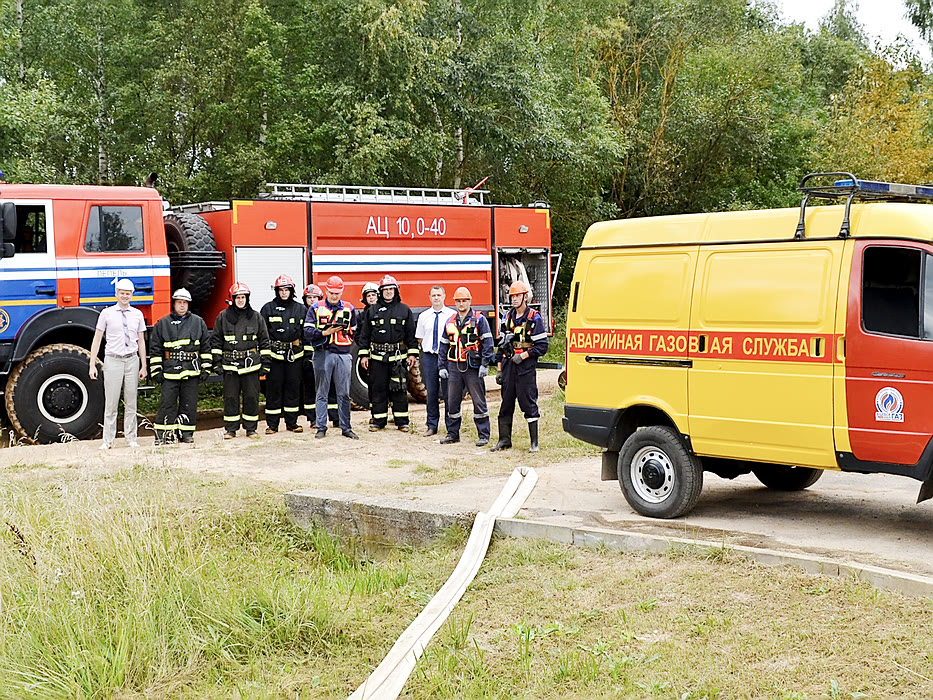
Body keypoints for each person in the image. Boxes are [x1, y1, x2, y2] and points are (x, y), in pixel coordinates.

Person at [88, 278, 147, 449]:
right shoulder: (106, 314)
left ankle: (131, 438)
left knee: (131, 401)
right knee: (111, 402)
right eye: (122, 293)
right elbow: (97, 339)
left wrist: (143, 365)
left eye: (128, 293)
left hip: (131, 359)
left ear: (132, 295)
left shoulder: (137, 314)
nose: (125, 296)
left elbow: (141, 341)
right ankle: (108, 440)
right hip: (113, 359)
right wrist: (92, 364)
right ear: (116, 294)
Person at [491, 281, 549, 453]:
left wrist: (523, 355)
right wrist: (500, 369)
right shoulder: (506, 318)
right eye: (512, 296)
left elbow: (542, 346)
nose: (514, 299)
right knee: (506, 404)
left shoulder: (534, 318)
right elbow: (501, 347)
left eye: (517, 295)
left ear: (525, 296)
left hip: (525, 368)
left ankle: (534, 443)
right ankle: (504, 440)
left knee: (528, 404)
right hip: (509, 366)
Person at [148, 288, 211, 445]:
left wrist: (206, 367)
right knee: (167, 404)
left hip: (191, 370)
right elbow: (155, 349)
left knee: (189, 404)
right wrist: (156, 370)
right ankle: (163, 435)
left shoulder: (198, 322)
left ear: (188, 305)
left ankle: (186, 433)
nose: (182, 306)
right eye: (179, 303)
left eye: (185, 303)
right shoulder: (163, 324)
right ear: (174, 304)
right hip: (170, 373)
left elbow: (205, 347)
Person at [358, 275, 418, 432]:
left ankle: (402, 422)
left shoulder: (404, 310)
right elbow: (364, 335)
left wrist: (412, 354)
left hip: (398, 358)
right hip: (377, 358)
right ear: (381, 292)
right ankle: (378, 421)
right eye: (385, 290)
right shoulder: (372, 310)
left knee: (399, 389)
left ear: (396, 290)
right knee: (378, 389)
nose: (388, 292)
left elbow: (411, 335)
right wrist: (364, 355)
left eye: (391, 289)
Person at [211, 282, 270, 439]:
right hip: (230, 365)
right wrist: (217, 363)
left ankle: (251, 429)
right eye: (238, 297)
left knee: (251, 397)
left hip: (251, 365)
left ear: (247, 298)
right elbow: (216, 341)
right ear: (232, 299)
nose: (241, 300)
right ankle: (231, 429)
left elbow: (264, 341)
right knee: (230, 398)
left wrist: (266, 364)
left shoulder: (256, 317)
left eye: (243, 297)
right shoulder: (223, 317)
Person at [438, 286, 494, 446]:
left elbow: (488, 343)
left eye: (464, 300)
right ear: (455, 302)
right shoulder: (450, 321)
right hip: (454, 367)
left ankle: (484, 435)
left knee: (478, 401)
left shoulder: (479, 319)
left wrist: (485, 364)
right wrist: (441, 366)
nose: (461, 303)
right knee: (452, 401)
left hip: (473, 367)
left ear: (469, 301)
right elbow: (443, 345)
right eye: (458, 301)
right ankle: (453, 434)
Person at [304, 275, 359, 439]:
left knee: (344, 393)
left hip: (343, 354)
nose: (334, 295)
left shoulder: (349, 308)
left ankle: (346, 427)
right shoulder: (315, 307)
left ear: (342, 291)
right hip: (323, 353)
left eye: (337, 292)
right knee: (322, 392)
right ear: (326, 291)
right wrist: (324, 333)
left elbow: (355, 329)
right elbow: (306, 331)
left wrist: (345, 336)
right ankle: (321, 427)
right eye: (332, 292)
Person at [261, 274, 306, 434]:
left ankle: (292, 423)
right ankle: (272, 425)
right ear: (277, 291)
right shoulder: (267, 309)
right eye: (281, 290)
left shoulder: (300, 309)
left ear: (292, 291)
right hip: (275, 357)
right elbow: (263, 335)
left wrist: (306, 357)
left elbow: (305, 335)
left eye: (287, 289)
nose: (284, 293)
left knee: (293, 390)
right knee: (273, 390)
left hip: (295, 356)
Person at [415, 285, 455, 436]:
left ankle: (451, 426)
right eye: (434, 295)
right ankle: (432, 425)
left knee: (449, 392)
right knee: (431, 392)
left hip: (446, 357)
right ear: (430, 298)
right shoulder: (423, 316)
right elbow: (420, 337)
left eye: (439, 295)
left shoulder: (452, 315)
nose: (436, 298)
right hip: (430, 357)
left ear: (444, 296)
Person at [300, 283, 324, 426]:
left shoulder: (324, 312)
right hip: (308, 358)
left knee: (329, 387)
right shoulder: (301, 313)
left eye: (314, 297)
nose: (312, 300)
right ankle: (313, 419)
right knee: (309, 388)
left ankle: (334, 417)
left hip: (324, 355)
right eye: (309, 298)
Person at [358, 281, 380, 414]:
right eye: (368, 295)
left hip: (384, 355)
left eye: (373, 295)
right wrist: (364, 347)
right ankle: (375, 413)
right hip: (370, 355)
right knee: (373, 385)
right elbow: (358, 335)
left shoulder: (384, 312)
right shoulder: (362, 316)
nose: (371, 297)